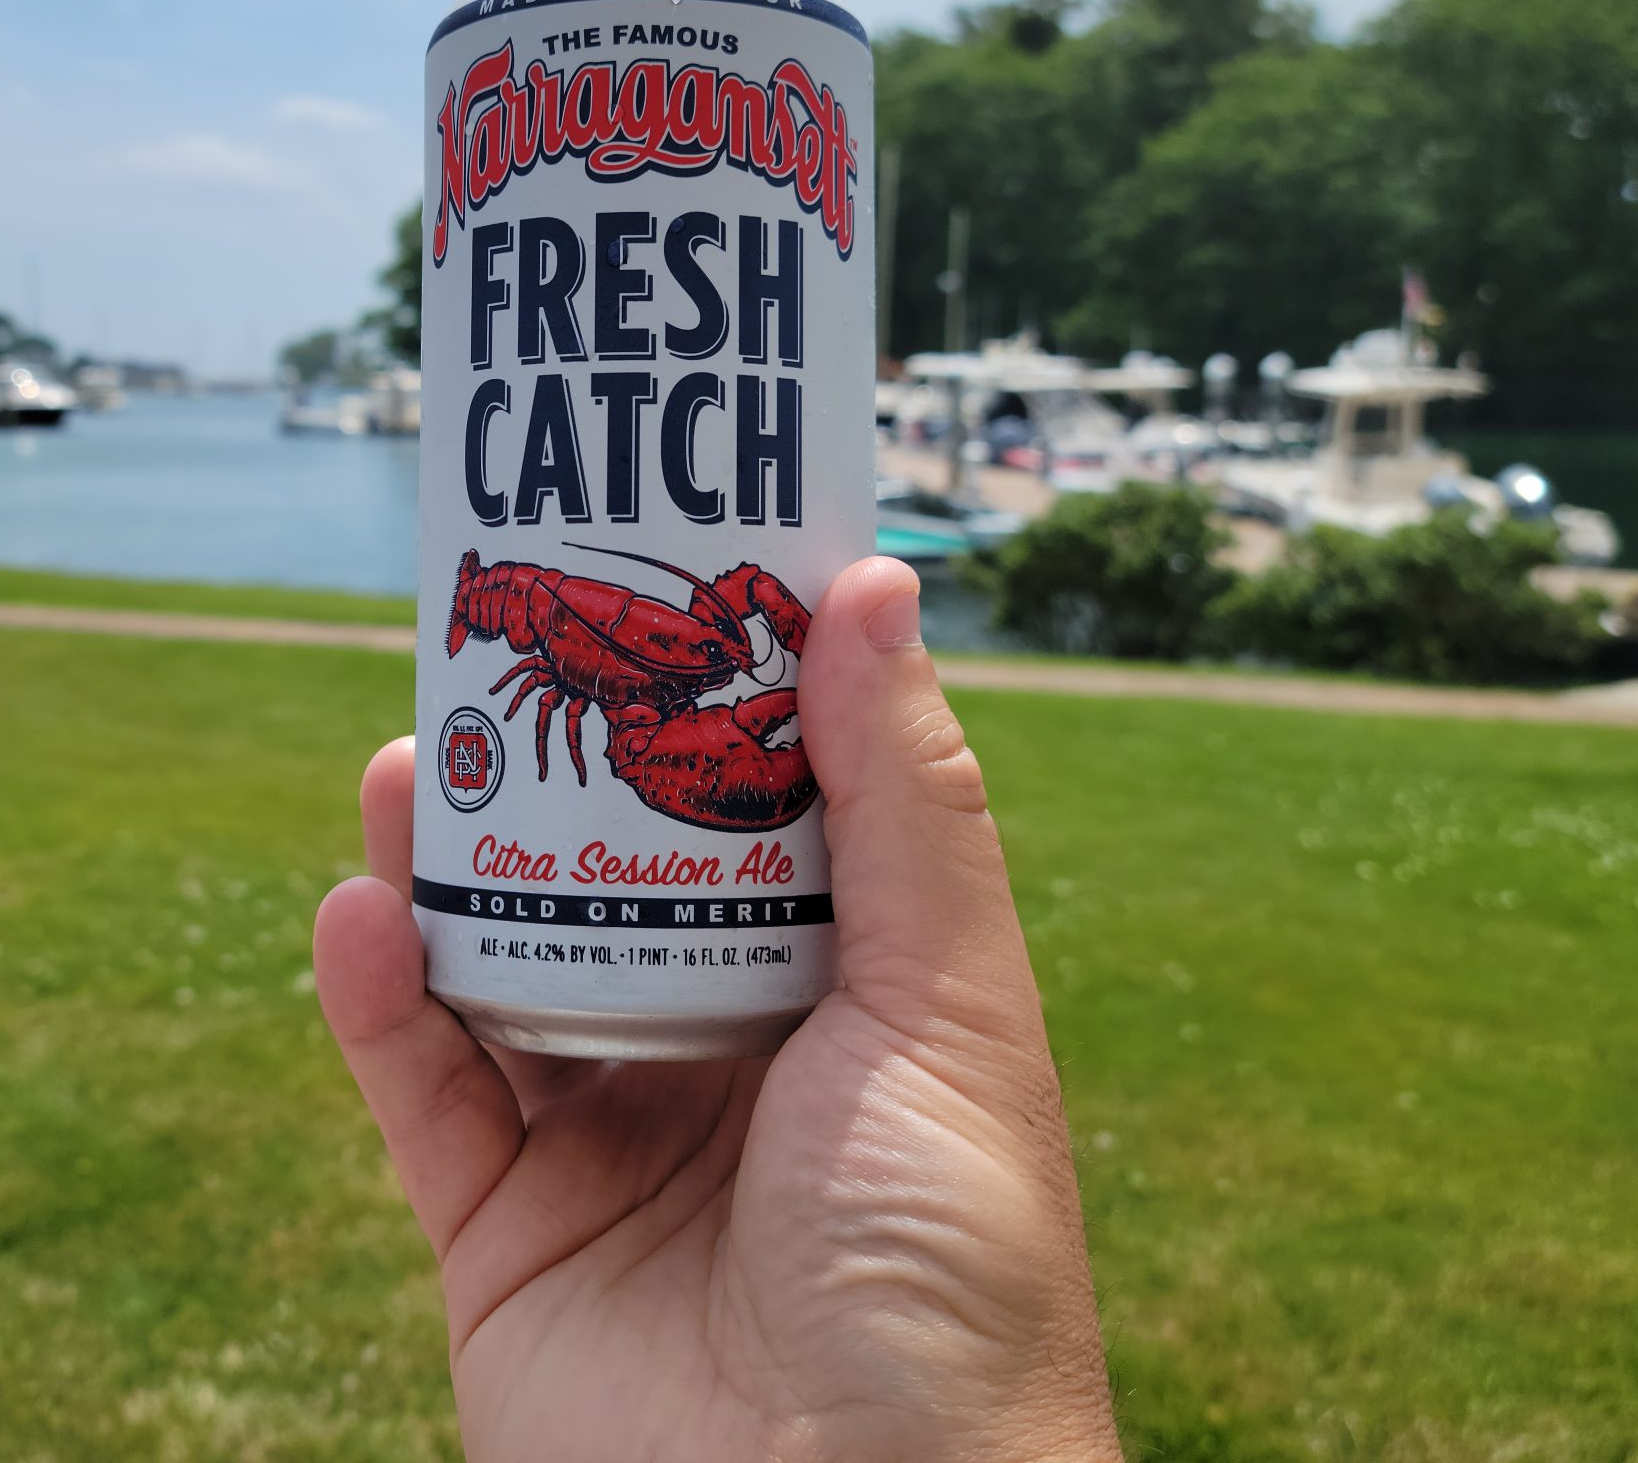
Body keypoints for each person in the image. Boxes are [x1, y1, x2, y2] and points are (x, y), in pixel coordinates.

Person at [315, 556, 1123, 1461]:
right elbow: (619, 730)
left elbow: (740, 611)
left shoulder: (688, 645)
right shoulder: (591, 690)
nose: (732, 667)